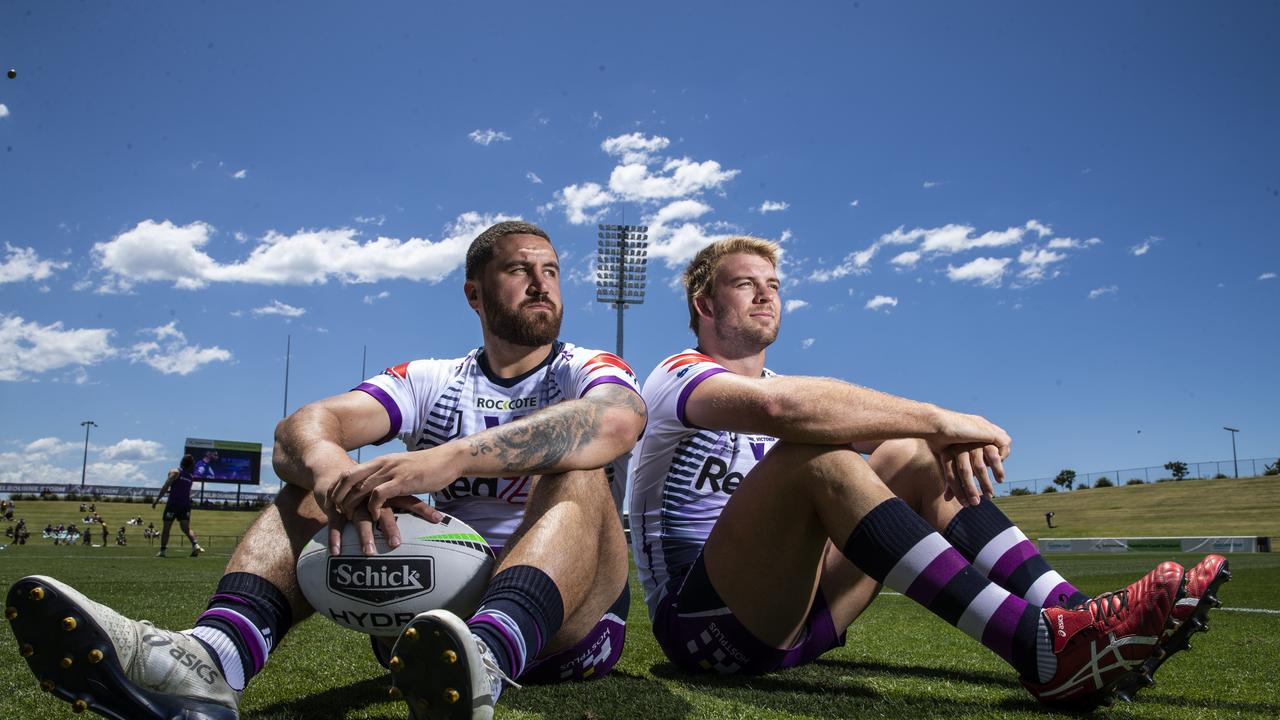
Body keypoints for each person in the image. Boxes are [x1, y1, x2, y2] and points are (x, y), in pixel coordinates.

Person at [7, 221, 646, 720]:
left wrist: (443, 459)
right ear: (475, 294)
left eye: (551, 271)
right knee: (310, 484)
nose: (541, 283)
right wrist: (334, 473)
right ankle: (212, 659)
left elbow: (614, 423)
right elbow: (301, 429)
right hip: (423, 626)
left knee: (579, 467)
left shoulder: (585, 367)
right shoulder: (431, 380)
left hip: (566, 627)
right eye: (519, 270)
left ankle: (491, 652)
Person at [628, 236, 1229, 710]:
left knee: (912, 452)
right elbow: (781, 411)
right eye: (744, 285)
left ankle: (1078, 615)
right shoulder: (676, 375)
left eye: (774, 285)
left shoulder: (780, 383)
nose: (766, 295)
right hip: (705, 630)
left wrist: (933, 436)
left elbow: (863, 425)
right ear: (705, 306)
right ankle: (1038, 647)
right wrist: (945, 418)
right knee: (813, 453)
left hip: (805, 618)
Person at [153, 455, 205, 557]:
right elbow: (181, 490)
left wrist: (156, 500)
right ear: (189, 465)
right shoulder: (190, 477)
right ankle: (196, 545)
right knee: (186, 528)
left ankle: (162, 551)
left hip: (173, 504)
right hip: (185, 505)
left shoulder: (175, 472)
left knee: (167, 528)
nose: (193, 468)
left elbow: (166, 486)